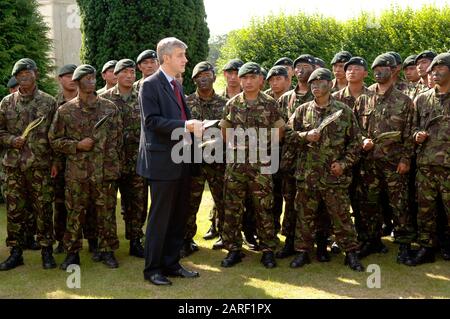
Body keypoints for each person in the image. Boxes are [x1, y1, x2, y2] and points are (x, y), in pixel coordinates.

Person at [137, 37, 201, 286]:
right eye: (181, 55)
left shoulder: (176, 85)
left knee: (178, 215)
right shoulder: (149, 85)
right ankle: (153, 269)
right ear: (166, 58)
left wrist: (196, 128)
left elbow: (179, 118)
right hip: (162, 162)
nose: (185, 60)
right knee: (160, 217)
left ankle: (172, 263)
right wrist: (186, 125)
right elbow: (151, 122)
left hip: (182, 158)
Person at [287, 68, 364, 271]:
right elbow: (287, 135)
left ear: (330, 85)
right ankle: (302, 252)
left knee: (341, 217)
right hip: (308, 175)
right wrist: (305, 136)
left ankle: (352, 253)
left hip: (334, 176)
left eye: (320, 83)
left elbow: (355, 144)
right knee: (304, 216)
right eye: (312, 83)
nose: (315, 86)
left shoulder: (343, 111)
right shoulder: (303, 110)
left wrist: (344, 164)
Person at [49, 64, 122, 270]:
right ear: (77, 82)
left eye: (92, 77)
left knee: (106, 213)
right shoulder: (65, 110)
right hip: (77, 173)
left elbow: (117, 141)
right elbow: (54, 140)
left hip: (104, 171)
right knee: (75, 213)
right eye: (86, 78)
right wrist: (76, 145)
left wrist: (114, 168)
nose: (91, 81)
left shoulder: (109, 108)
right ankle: (72, 254)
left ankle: (107, 251)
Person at [219, 62, 285, 269]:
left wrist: (264, 149)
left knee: (264, 207)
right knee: (232, 207)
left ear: (260, 80)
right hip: (236, 165)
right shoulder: (233, 104)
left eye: (252, 78)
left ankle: (267, 250)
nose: (247, 82)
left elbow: (279, 130)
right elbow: (225, 130)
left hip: (261, 165)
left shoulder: (270, 103)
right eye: (244, 78)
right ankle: (233, 249)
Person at [354, 53, 415, 263]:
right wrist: (362, 141)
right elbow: (356, 130)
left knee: (399, 205)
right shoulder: (364, 98)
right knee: (369, 204)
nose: (378, 71)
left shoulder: (404, 101)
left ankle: (404, 245)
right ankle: (371, 241)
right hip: (369, 163)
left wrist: (406, 160)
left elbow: (409, 134)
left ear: (394, 70)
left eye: (383, 67)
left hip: (393, 163)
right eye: (375, 68)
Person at [0, 58, 57, 270]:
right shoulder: (6, 103)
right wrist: (10, 140)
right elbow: (0, 132)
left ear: (36, 73)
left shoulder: (48, 102)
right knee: (14, 211)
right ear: (15, 78)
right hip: (14, 167)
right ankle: (16, 252)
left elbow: (56, 135)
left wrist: (55, 162)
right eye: (19, 74)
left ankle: (46, 251)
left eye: (28, 72)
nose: (24, 76)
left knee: (43, 210)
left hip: (40, 166)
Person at [100, 59, 147, 258]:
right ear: (116, 75)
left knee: (137, 204)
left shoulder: (143, 98)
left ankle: (135, 241)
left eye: (132, 72)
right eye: (125, 72)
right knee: (107, 205)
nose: (129, 76)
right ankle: (107, 247)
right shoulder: (103, 99)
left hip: (136, 161)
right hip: (111, 162)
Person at [406, 53, 450, 265]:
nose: (435, 72)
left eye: (440, 68)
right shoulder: (422, 99)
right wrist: (417, 135)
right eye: (433, 69)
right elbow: (412, 128)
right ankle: (426, 248)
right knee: (426, 211)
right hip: (426, 166)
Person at [184, 61, 227, 255]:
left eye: (207, 75)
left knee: (222, 200)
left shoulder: (225, 104)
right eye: (199, 76)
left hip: (217, 160)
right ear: (194, 80)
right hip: (193, 159)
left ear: (214, 78)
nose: (204, 79)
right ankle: (186, 239)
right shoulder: (185, 102)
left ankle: (226, 236)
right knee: (190, 201)